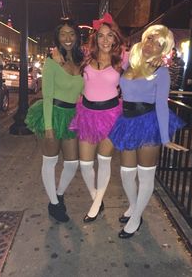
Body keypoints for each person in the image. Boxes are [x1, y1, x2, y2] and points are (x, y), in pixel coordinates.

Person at [109, 24, 188, 239]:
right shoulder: (129, 62)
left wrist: (164, 138)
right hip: (127, 121)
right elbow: (111, 56)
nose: (152, 45)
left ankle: (135, 218)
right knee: (126, 174)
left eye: (159, 44)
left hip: (149, 122)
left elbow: (162, 105)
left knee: (145, 176)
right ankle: (135, 207)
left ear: (164, 50)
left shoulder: (160, 72)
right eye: (150, 39)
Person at [69, 13, 127, 222]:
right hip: (87, 113)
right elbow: (66, 56)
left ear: (115, 38)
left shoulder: (123, 59)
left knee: (104, 161)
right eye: (101, 35)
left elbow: (143, 66)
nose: (105, 40)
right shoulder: (85, 57)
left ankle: (95, 206)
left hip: (112, 114)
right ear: (95, 38)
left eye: (109, 36)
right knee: (85, 164)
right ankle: (97, 197)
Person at [25, 18, 84, 222]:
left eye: (71, 34)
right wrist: (48, 126)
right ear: (57, 37)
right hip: (52, 111)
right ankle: (55, 204)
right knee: (49, 162)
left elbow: (84, 92)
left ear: (77, 36)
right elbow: (47, 95)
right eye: (63, 34)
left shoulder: (80, 62)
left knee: (72, 162)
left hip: (71, 116)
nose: (67, 38)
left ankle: (58, 194)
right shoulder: (51, 61)